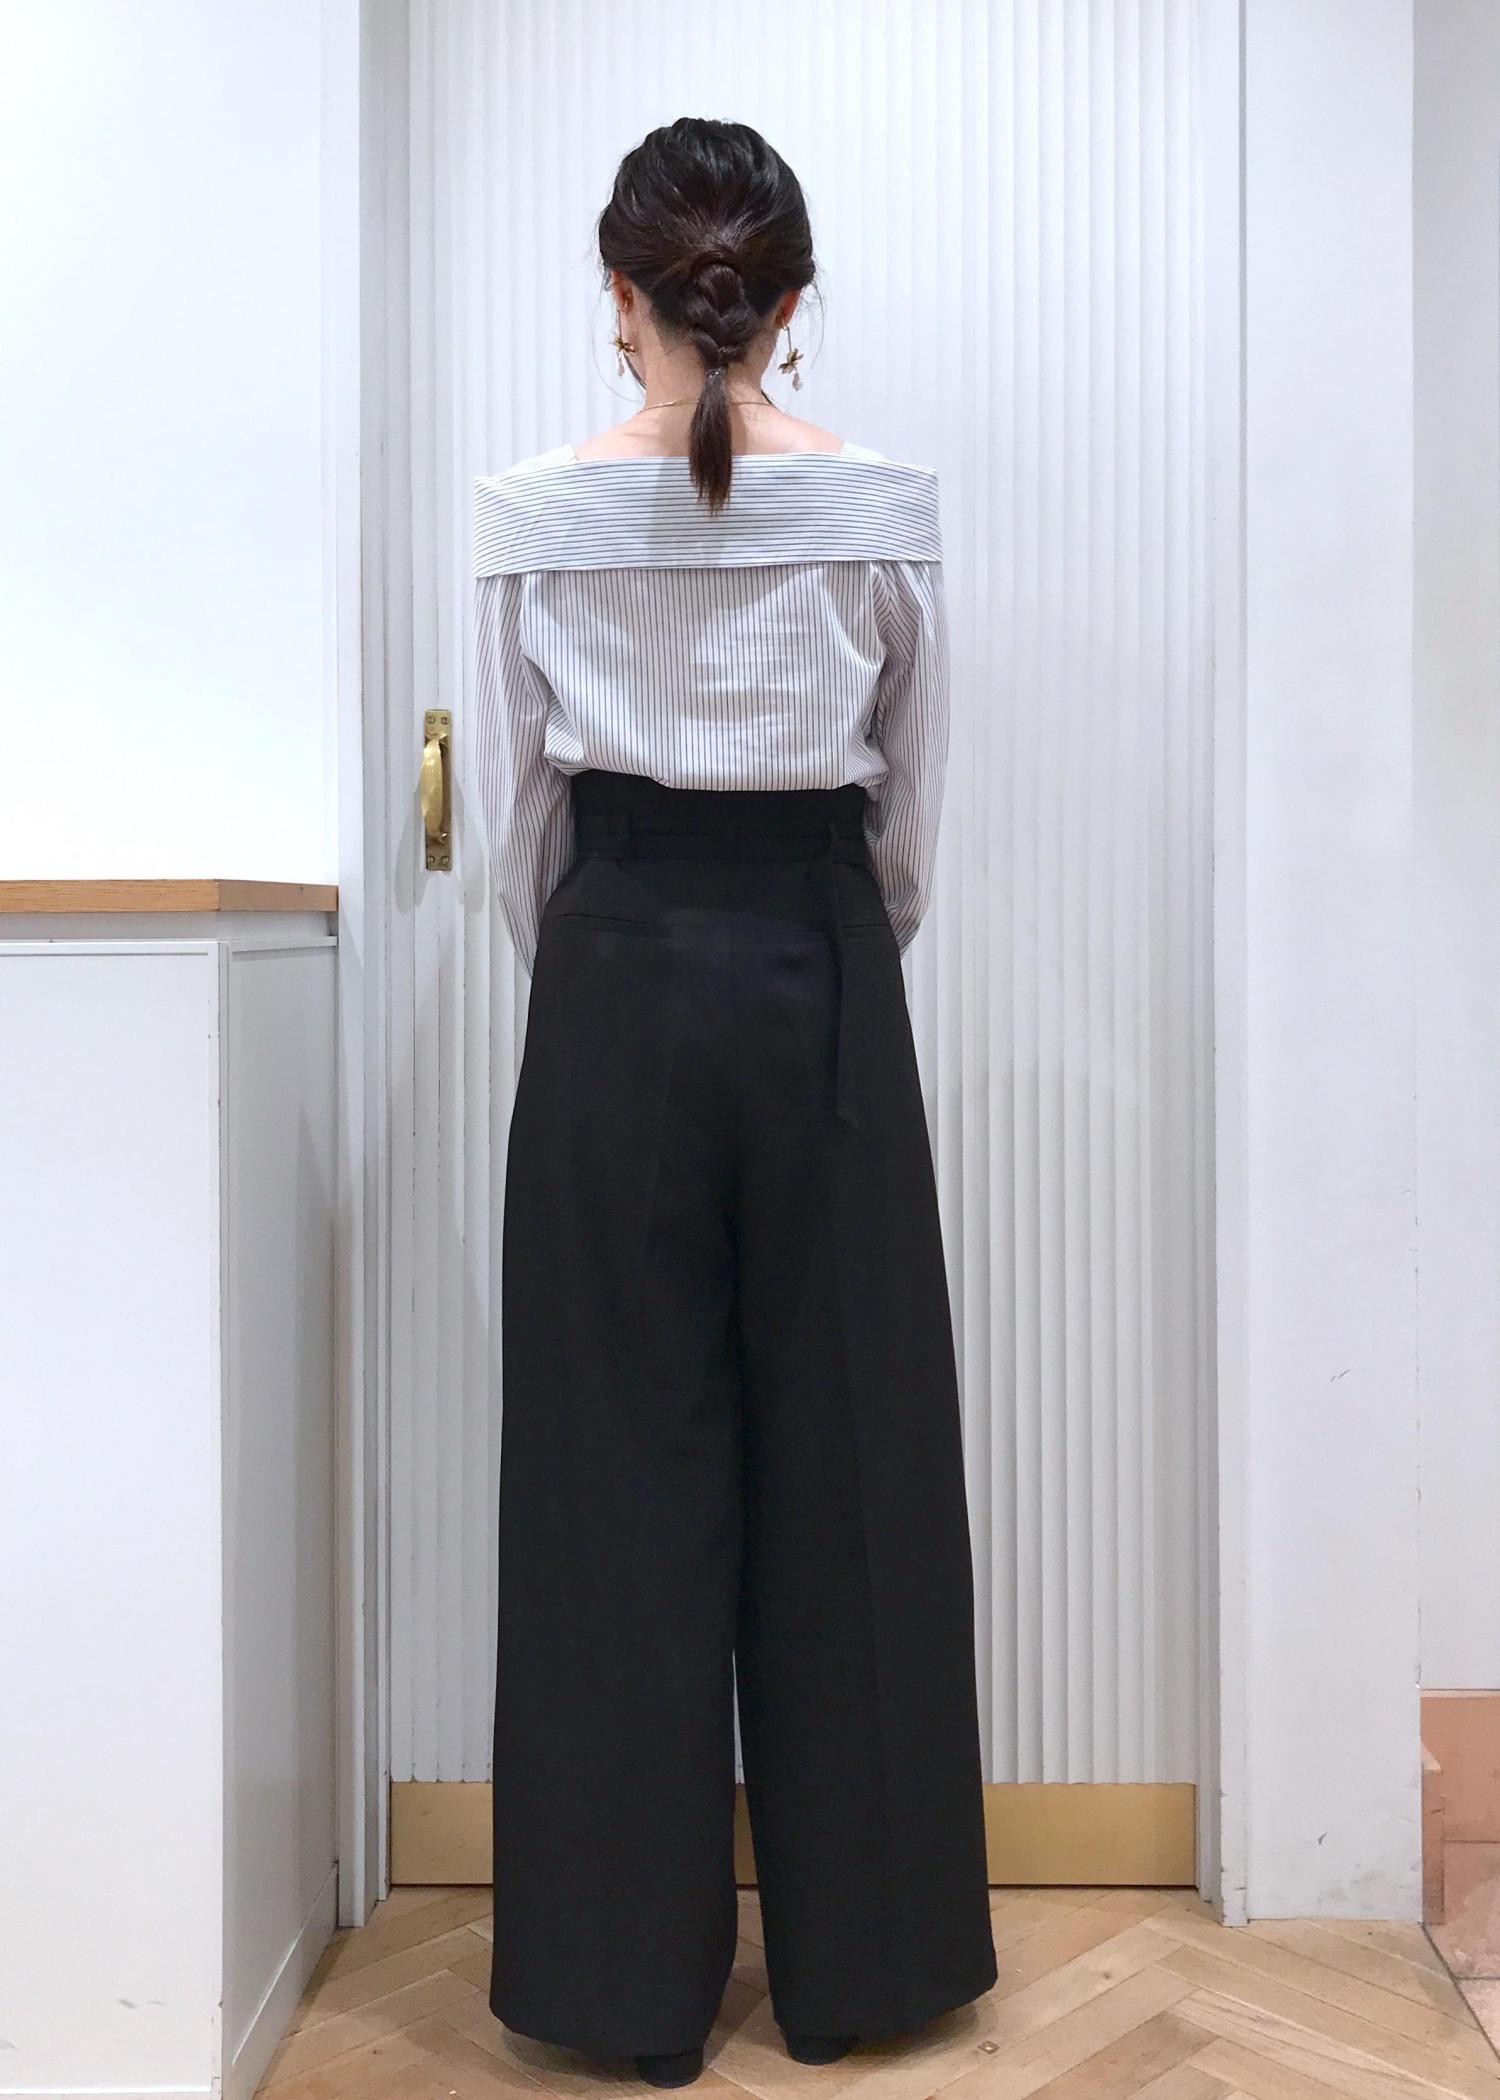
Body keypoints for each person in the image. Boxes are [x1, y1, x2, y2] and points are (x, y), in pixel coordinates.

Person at [471, 115, 996, 2091]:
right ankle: (871, 1966)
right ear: (788, 301)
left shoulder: (534, 512)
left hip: (613, 970)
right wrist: (832, 943)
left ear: (624, 296)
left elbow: (518, 820)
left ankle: (620, 1987)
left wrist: (610, 954)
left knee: (611, 1472)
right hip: (821, 964)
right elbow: (910, 809)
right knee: (855, 1456)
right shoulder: (879, 505)